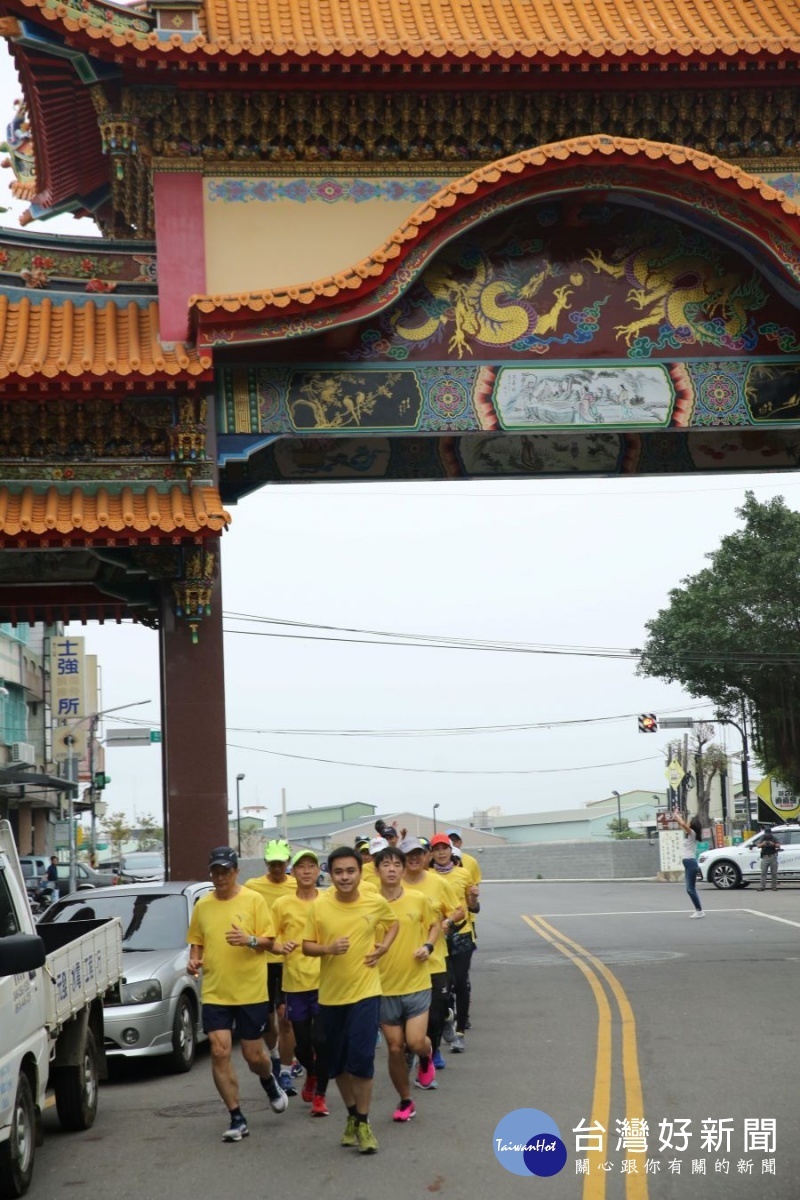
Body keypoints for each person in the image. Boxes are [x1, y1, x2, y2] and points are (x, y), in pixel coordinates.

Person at [187, 846, 288, 1142]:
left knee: (253, 1055)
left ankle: (269, 1081)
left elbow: (269, 942)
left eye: (225, 872)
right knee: (219, 1051)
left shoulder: (253, 900)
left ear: (235, 872)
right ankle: (236, 1116)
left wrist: (248, 939)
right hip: (216, 991)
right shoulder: (203, 906)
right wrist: (193, 959)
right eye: (215, 872)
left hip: (250, 991)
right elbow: (197, 942)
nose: (219, 877)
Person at [302, 845, 398, 1154]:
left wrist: (382, 947)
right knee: (339, 1064)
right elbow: (306, 946)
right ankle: (352, 1116)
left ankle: (364, 1121)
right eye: (339, 872)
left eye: (351, 871)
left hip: (366, 992)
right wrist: (328, 949)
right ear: (330, 874)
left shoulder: (374, 901)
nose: (345, 877)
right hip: (331, 997)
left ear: (360, 872)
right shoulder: (320, 907)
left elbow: (393, 922)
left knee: (362, 1059)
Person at [374, 844, 440, 1121]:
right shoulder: (369, 902)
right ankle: (405, 1100)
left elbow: (435, 925)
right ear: (376, 870)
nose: (391, 869)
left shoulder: (417, 899)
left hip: (416, 982)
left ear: (403, 869)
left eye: (396, 865)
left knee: (414, 1042)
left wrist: (427, 946)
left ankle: (426, 1056)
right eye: (386, 865)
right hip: (381, 986)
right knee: (394, 1047)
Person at [272, 849, 330, 1117]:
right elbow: (269, 938)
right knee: (302, 1044)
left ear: (319, 871)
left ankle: (320, 1096)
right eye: (300, 867)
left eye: (311, 866)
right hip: (294, 982)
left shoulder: (330, 900)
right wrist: (280, 947)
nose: (306, 871)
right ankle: (312, 1073)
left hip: (327, 980)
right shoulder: (282, 905)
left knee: (322, 1039)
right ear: (292, 872)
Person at [400, 837, 463, 1069]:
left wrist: (447, 920)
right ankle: (411, 1050)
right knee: (407, 1016)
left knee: (435, 1013)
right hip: (404, 962)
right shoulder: (393, 885)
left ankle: (432, 1051)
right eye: (409, 855)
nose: (414, 858)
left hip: (435, 958)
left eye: (419, 853)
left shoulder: (438, 883)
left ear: (427, 856)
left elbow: (459, 910)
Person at [244, 839, 298, 1094]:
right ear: (267, 863)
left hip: (289, 960)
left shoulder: (297, 885)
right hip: (261, 962)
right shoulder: (253, 887)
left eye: (281, 863)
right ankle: (276, 1056)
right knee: (268, 1021)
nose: (278, 868)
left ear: (288, 862)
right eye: (273, 863)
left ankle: (286, 1069)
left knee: (285, 1018)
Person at [429, 833, 480, 1050]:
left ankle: (460, 1030)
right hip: (438, 936)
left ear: (451, 850)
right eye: (437, 849)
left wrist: (474, 897)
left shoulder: (463, 873)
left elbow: (474, 908)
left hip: (461, 933)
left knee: (460, 982)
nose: (441, 852)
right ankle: (446, 1021)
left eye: (444, 848)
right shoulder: (427, 876)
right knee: (443, 986)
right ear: (431, 853)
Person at [674, 812, 705, 918]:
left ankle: (699, 911)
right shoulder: (690, 835)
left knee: (690, 889)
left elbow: (683, 824)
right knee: (689, 889)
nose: (687, 823)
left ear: (692, 825)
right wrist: (676, 817)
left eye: (689, 822)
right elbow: (682, 825)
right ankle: (699, 910)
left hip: (691, 863)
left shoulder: (692, 833)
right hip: (689, 864)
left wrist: (677, 815)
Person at [758, 826, 781, 891]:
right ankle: (762, 886)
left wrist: (773, 844)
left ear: (771, 833)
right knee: (763, 873)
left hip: (772, 856)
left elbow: (778, 845)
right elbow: (758, 845)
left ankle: (774, 886)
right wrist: (763, 844)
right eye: (766, 833)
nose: (767, 835)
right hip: (765, 857)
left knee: (774, 873)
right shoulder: (762, 838)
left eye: (768, 833)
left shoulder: (773, 838)